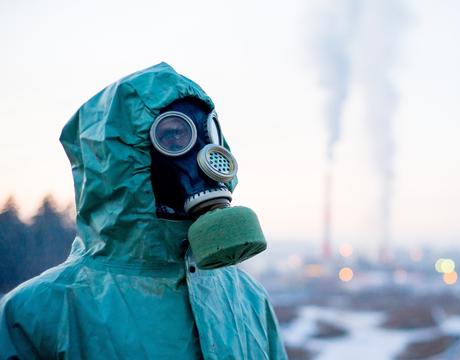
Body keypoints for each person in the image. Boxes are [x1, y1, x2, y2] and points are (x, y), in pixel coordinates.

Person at [0, 63, 287, 359]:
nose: (206, 156)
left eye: (209, 135)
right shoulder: (35, 315)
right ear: (119, 161)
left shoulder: (250, 301)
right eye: (176, 136)